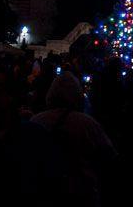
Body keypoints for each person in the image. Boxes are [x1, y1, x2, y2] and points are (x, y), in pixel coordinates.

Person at [30, 71, 117, 207]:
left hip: (45, 191)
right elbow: (108, 154)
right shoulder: (87, 123)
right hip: (81, 192)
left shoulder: (37, 121)